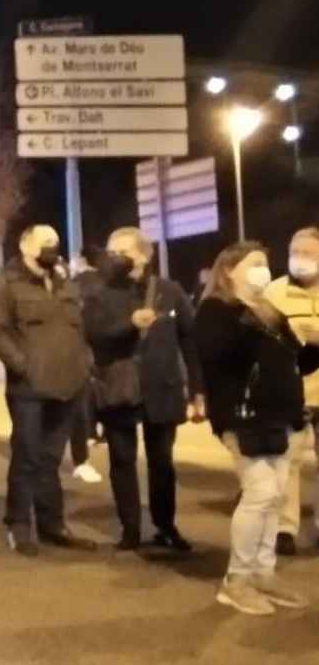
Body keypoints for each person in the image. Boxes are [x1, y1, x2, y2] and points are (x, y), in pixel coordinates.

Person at [194, 241, 319, 615]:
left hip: (281, 415)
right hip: (243, 416)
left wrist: (312, 341)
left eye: (266, 262)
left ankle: (263, 573)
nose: (264, 269)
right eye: (255, 263)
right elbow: (220, 355)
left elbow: (298, 362)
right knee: (260, 493)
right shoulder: (216, 311)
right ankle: (237, 580)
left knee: (277, 495)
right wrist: (258, 325)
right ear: (229, 270)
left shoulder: (270, 310)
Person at [82, 227, 202, 553]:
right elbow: (93, 335)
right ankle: (130, 529)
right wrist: (129, 325)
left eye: (122, 251)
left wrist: (197, 391)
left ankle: (165, 526)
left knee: (161, 461)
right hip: (119, 387)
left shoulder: (169, 291)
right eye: (111, 251)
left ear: (144, 256)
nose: (114, 257)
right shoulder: (100, 293)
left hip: (162, 386)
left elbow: (190, 340)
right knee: (122, 460)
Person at [0, 224, 96, 555]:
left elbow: (80, 330)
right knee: (27, 455)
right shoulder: (6, 285)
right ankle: (18, 525)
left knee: (50, 459)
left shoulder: (66, 284)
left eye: (56, 242)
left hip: (68, 385)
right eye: (45, 242)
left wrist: (84, 363)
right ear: (25, 245)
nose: (52, 247)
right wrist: (23, 366)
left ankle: (53, 525)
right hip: (28, 388)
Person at [263, 227, 319, 556]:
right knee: (288, 463)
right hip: (290, 392)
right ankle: (285, 527)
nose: (300, 260)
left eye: (308, 254)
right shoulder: (274, 292)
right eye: (295, 252)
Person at [65, 255, 105, 485]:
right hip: (88, 354)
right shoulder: (100, 284)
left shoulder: (74, 286)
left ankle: (83, 451)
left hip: (73, 355)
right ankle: (84, 455)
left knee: (78, 406)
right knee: (83, 405)